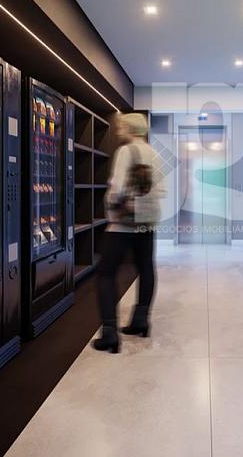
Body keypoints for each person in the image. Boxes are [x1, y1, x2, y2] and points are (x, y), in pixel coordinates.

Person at [92, 112, 165, 353]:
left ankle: (110, 332)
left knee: (106, 273)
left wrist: (111, 208)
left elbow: (117, 188)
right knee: (146, 267)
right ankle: (141, 320)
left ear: (130, 128)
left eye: (121, 127)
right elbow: (161, 190)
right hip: (147, 222)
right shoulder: (155, 154)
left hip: (122, 225)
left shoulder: (126, 151)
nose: (118, 130)